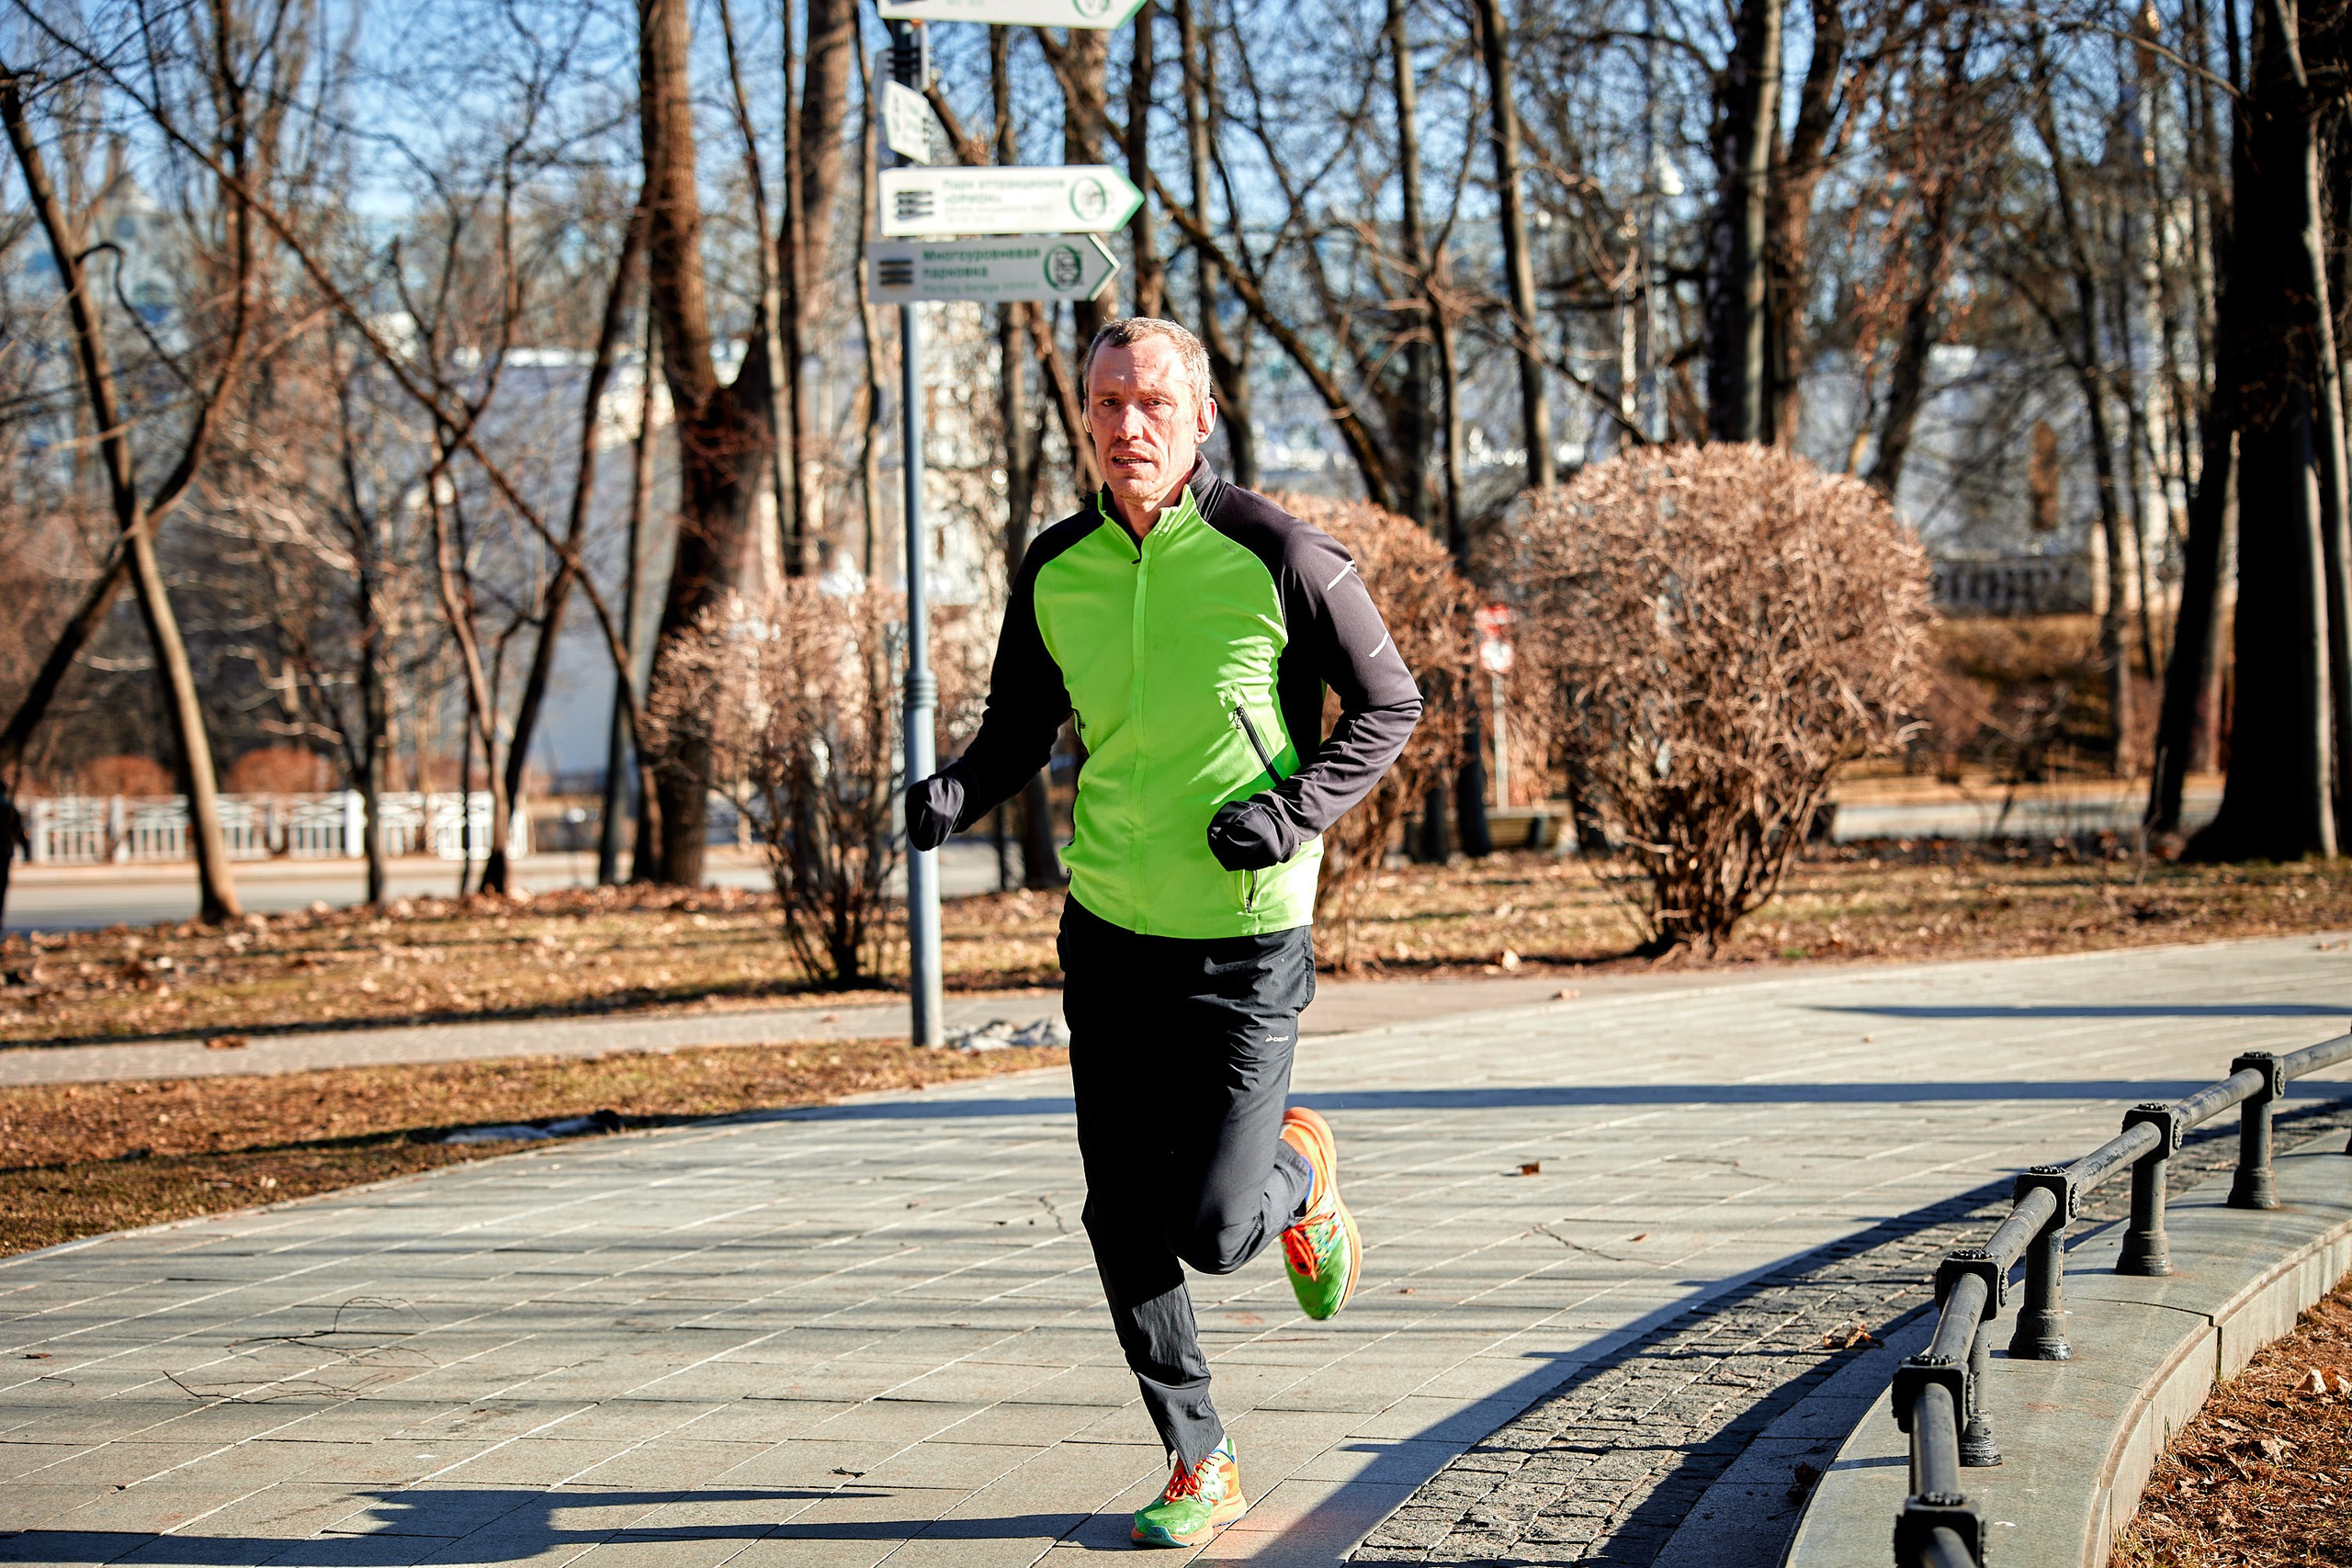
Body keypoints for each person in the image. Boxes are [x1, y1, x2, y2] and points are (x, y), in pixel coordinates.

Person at [904, 317, 1421, 1548]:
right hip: (1109, 929)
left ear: (1199, 417)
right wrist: (959, 790)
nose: (1126, 425)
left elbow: (1389, 705)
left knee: (1217, 1231)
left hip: (1244, 935)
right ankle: (1200, 1455)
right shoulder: (1058, 566)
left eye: (1150, 402)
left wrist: (1288, 812)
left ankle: (1300, 1174)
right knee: (1119, 1210)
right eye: (1106, 403)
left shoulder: (1280, 554)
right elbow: (1022, 726)